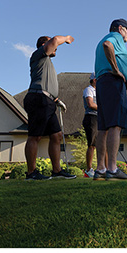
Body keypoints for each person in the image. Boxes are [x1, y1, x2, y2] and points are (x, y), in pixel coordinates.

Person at [23, 34, 77, 180]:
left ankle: (57, 171)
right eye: (54, 48)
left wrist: (56, 99)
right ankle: (31, 173)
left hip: (48, 101)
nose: (56, 50)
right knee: (35, 136)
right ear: (43, 45)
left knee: (56, 135)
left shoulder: (46, 62)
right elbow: (54, 41)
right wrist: (65, 38)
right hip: (38, 98)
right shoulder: (38, 54)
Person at [94, 18, 127, 180]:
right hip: (112, 82)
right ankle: (112, 169)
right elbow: (108, 46)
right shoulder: (115, 37)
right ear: (120, 29)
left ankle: (100, 169)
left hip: (103, 83)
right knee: (115, 126)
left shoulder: (100, 40)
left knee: (103, 128)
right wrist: (117, 70)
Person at [82, 74, 98, 177]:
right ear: (94, 80)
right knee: (92, 144)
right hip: (91, 118)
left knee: (102, 145)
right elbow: (91, 104)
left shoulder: (99, 92)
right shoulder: (89, 90)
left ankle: (105, 168)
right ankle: (89, 170)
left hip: (99, 118)